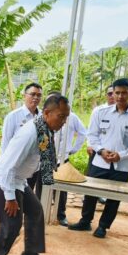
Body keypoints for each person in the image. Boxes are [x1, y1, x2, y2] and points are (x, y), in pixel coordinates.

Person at [0, 95, 70, 255]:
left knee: (36, 211)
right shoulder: (30, 133)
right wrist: (10, 198)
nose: (64, 122)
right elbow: (8, 167)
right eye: (61, 116)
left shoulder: (44, 129)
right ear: (46, 113)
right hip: (4, 180)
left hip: (19, 180)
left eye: (66, 117)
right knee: (12, 223)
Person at [69, 78, 128, 238]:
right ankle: (85, 221)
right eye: (117, 92)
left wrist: (122, 154)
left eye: (124, 93)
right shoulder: (101, 112)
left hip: (123, 165)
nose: (120, 96)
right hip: (100, 161)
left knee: (115, 197)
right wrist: (101, 151)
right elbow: (92, 135)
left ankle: (103, 227)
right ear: (113, 93)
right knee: (90, 192)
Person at [0, 82, 43, 191]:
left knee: (27, 198)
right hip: (16, 168)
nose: (35, 97)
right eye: (32, 94)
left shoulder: (43, 117)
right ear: (25, 95)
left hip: (33, 168)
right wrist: (4, 168)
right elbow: (6, 144)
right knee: (13, 200)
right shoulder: (13, 117)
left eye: (38, 95)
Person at [53, 95, 87, 227]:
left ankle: (60, 215)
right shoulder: (45, 117)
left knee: (61, 190)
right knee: (42, 187)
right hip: (45, 159)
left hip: (62, 157)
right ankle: (40, 213)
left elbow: (83, 132)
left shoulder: (71, 117)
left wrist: (73, 149)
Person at [86, 85, 115, 206]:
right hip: (97, 150)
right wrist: (90, 145)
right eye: (110, 94)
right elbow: (91, 130)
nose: (113, 96)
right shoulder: (98, 110)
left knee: (110, 180)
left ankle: (101, 196)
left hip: (115, 155)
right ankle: (88, 199)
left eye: (115, 93)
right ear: (106, 95)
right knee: (92, 177)